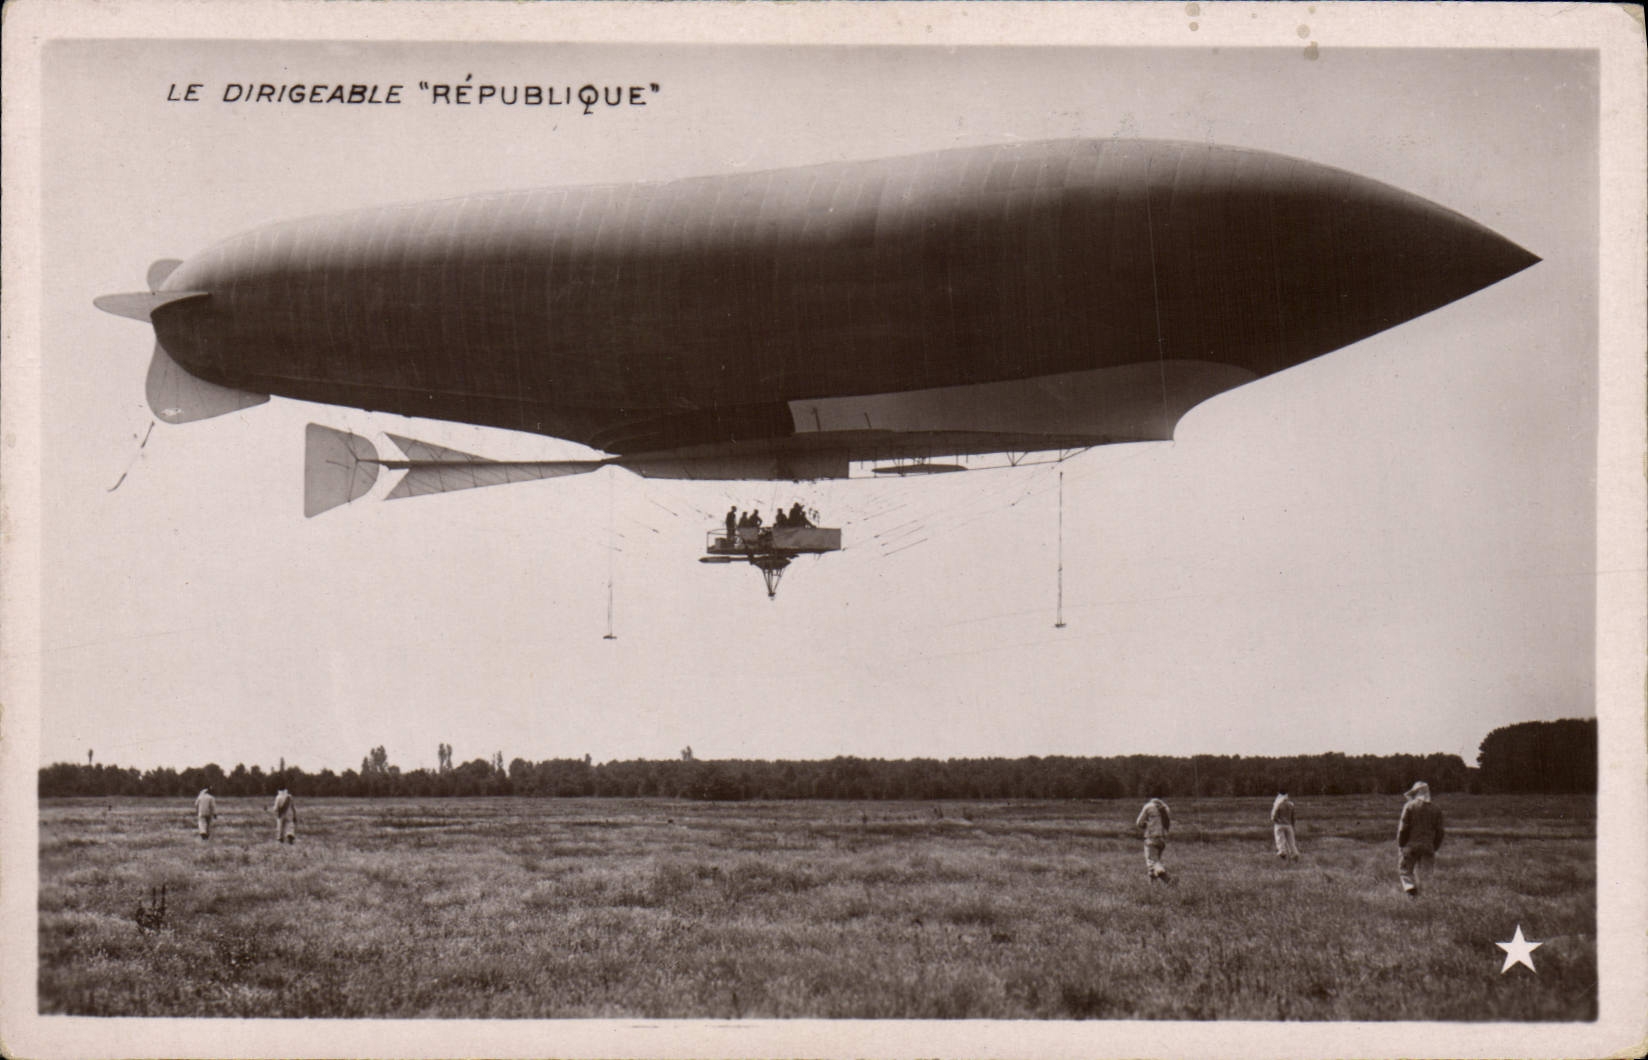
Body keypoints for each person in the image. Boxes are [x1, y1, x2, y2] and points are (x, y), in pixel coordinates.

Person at [1396, 781, 1444, 898]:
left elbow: (1403, 829)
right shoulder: (1436, 809)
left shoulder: (1409, 806)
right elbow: (1440, 832)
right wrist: (1434, 847)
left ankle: (1411, 890)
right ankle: (1425, 899)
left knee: (1405, 871)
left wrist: (1401, 844)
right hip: (1428, 846)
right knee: (1426, 876)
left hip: (1410, 846)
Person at [1135, 797, 1172, 881]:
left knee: (1152, 863)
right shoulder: (1165, 808)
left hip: (1151, 838)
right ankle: (1152, 888)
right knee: (1153, 865)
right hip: (1162, 840)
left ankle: (1168, 880)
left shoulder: (1148, 806)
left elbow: (1139, 823)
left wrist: (1146, 825)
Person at [1271, 791, 1300, 861]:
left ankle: (1282, 851)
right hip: (1289, 825)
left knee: (1280, 839)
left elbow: (1273, 816)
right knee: (1291, 841)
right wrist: (1293, 825)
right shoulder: (1291, 804)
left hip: (1279, 824)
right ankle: (1294, 853)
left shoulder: (1278, 804)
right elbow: (1293, 816)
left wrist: (1275, 820)